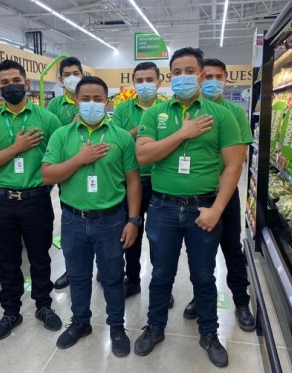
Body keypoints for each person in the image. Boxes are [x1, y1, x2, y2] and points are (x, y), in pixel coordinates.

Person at [133, 47, 244, 368]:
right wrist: (183, 133)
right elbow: (144, 156)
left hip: (204, 207)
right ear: (169, 77)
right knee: (160, 275)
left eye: (189, 71)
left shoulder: (221, 114)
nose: (183, 77)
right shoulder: (154, 114)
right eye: (176, 72)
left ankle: (209, 333)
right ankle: (155, 327)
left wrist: (217, 210)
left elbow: (233, 166)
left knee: (204, 276)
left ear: (200, 73)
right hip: (163, 208)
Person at [41, 76, 141, 357]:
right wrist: (79, 159)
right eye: (86, 99)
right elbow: (47, 174)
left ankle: (117, 326)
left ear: (107, 101)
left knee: (112, 276)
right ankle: (80, 322)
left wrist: (133, 220)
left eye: (98, 99)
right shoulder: (62, 135)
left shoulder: (121, 136)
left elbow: (133, 181)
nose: (92, 104)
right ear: (75, 100)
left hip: (111, 220)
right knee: (79, 275)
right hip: (73, 219)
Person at [0, 59, 62, 341]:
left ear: (27, 83)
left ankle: (44, 306)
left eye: (16, 81)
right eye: (4, 82)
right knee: (7, 260)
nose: (11, 86)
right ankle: (11, 311)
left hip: (36, 200)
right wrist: (16, 148)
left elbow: (60, 158)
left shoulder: (47, 119)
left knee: (39, 257)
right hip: (1, 202)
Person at [183, 58, 256, 332]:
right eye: (208, 76)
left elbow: (237, 160)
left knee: (231, 248)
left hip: (223, 195)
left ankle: (241, 302)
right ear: (201, 78)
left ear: (225, 79)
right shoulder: (190, 111)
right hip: (197, 196)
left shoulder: (233, 114)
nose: (212, 81)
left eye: (218, 76)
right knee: (198, 253)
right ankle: (199, 297)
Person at [111, 62, 173, 307]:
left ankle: (162, 288)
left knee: (160, 239)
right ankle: (133, 279)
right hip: (130, 180)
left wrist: (133, 135)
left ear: (159, 82)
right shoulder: (122, 109)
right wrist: (145, 129)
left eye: (150, 79)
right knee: (130, 233)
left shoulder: (169, 108)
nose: (145, 84)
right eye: (140, 80)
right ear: (134, 83)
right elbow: (115, 142)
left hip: (161, 180)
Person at [46, 56, 84, 290]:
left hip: (95, 172)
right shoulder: (54, 107)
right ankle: (72, 270)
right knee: (71, 225)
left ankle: (102, 267)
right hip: (66, 173)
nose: (72, 78)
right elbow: (53, 140)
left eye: (76, 73)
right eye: (67, 74)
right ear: (60, 80)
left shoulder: (92, 100)